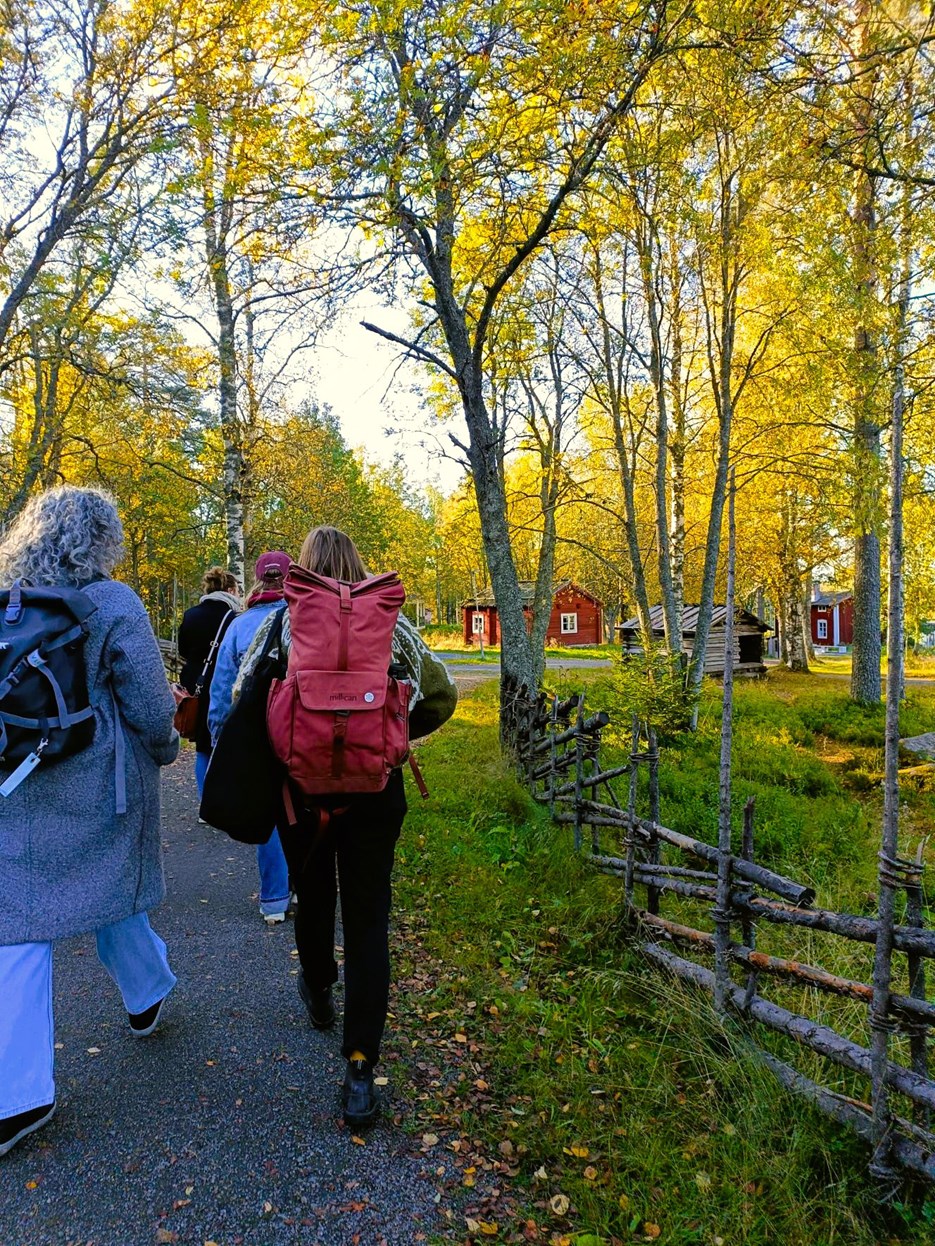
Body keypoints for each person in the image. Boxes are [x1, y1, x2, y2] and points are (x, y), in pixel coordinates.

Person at [233, 526, 457, 1127]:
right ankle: (360, 1070)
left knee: (313, 896)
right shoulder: (392, 627)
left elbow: (240, 697)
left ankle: (318, 991)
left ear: (303, 570)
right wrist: (391, 741)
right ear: (359, 566)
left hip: (300, 794)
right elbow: (443, 693)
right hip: (376, 794)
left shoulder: (282, 625)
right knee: (367, 917)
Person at [0, 486, 179, 1159]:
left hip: (16, 784)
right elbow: (150, 704)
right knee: (112, 889)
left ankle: (16, 1100)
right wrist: (164, 750)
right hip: (98, 786)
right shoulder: (113, 601)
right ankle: (146, 993)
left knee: (15, 927)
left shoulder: (5, 603)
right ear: (104, 539)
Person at [208, 551, 292, 925]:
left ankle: (273, 899)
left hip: (253, 733)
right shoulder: (302, 619)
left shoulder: (239, 625)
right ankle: (303, 886)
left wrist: (217, 733)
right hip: (296, 729)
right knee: (299, 809)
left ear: (257, 580)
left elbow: (222, 685)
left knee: (266, 810)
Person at [177, 566, 240, 798]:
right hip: (225, 685)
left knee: (202, 746)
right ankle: (223, 800)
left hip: (195, 684)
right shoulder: (233, 618)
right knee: (223, 742)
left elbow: (183, 649)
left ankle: (205, 802)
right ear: (231, 589)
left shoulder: (191, 614)